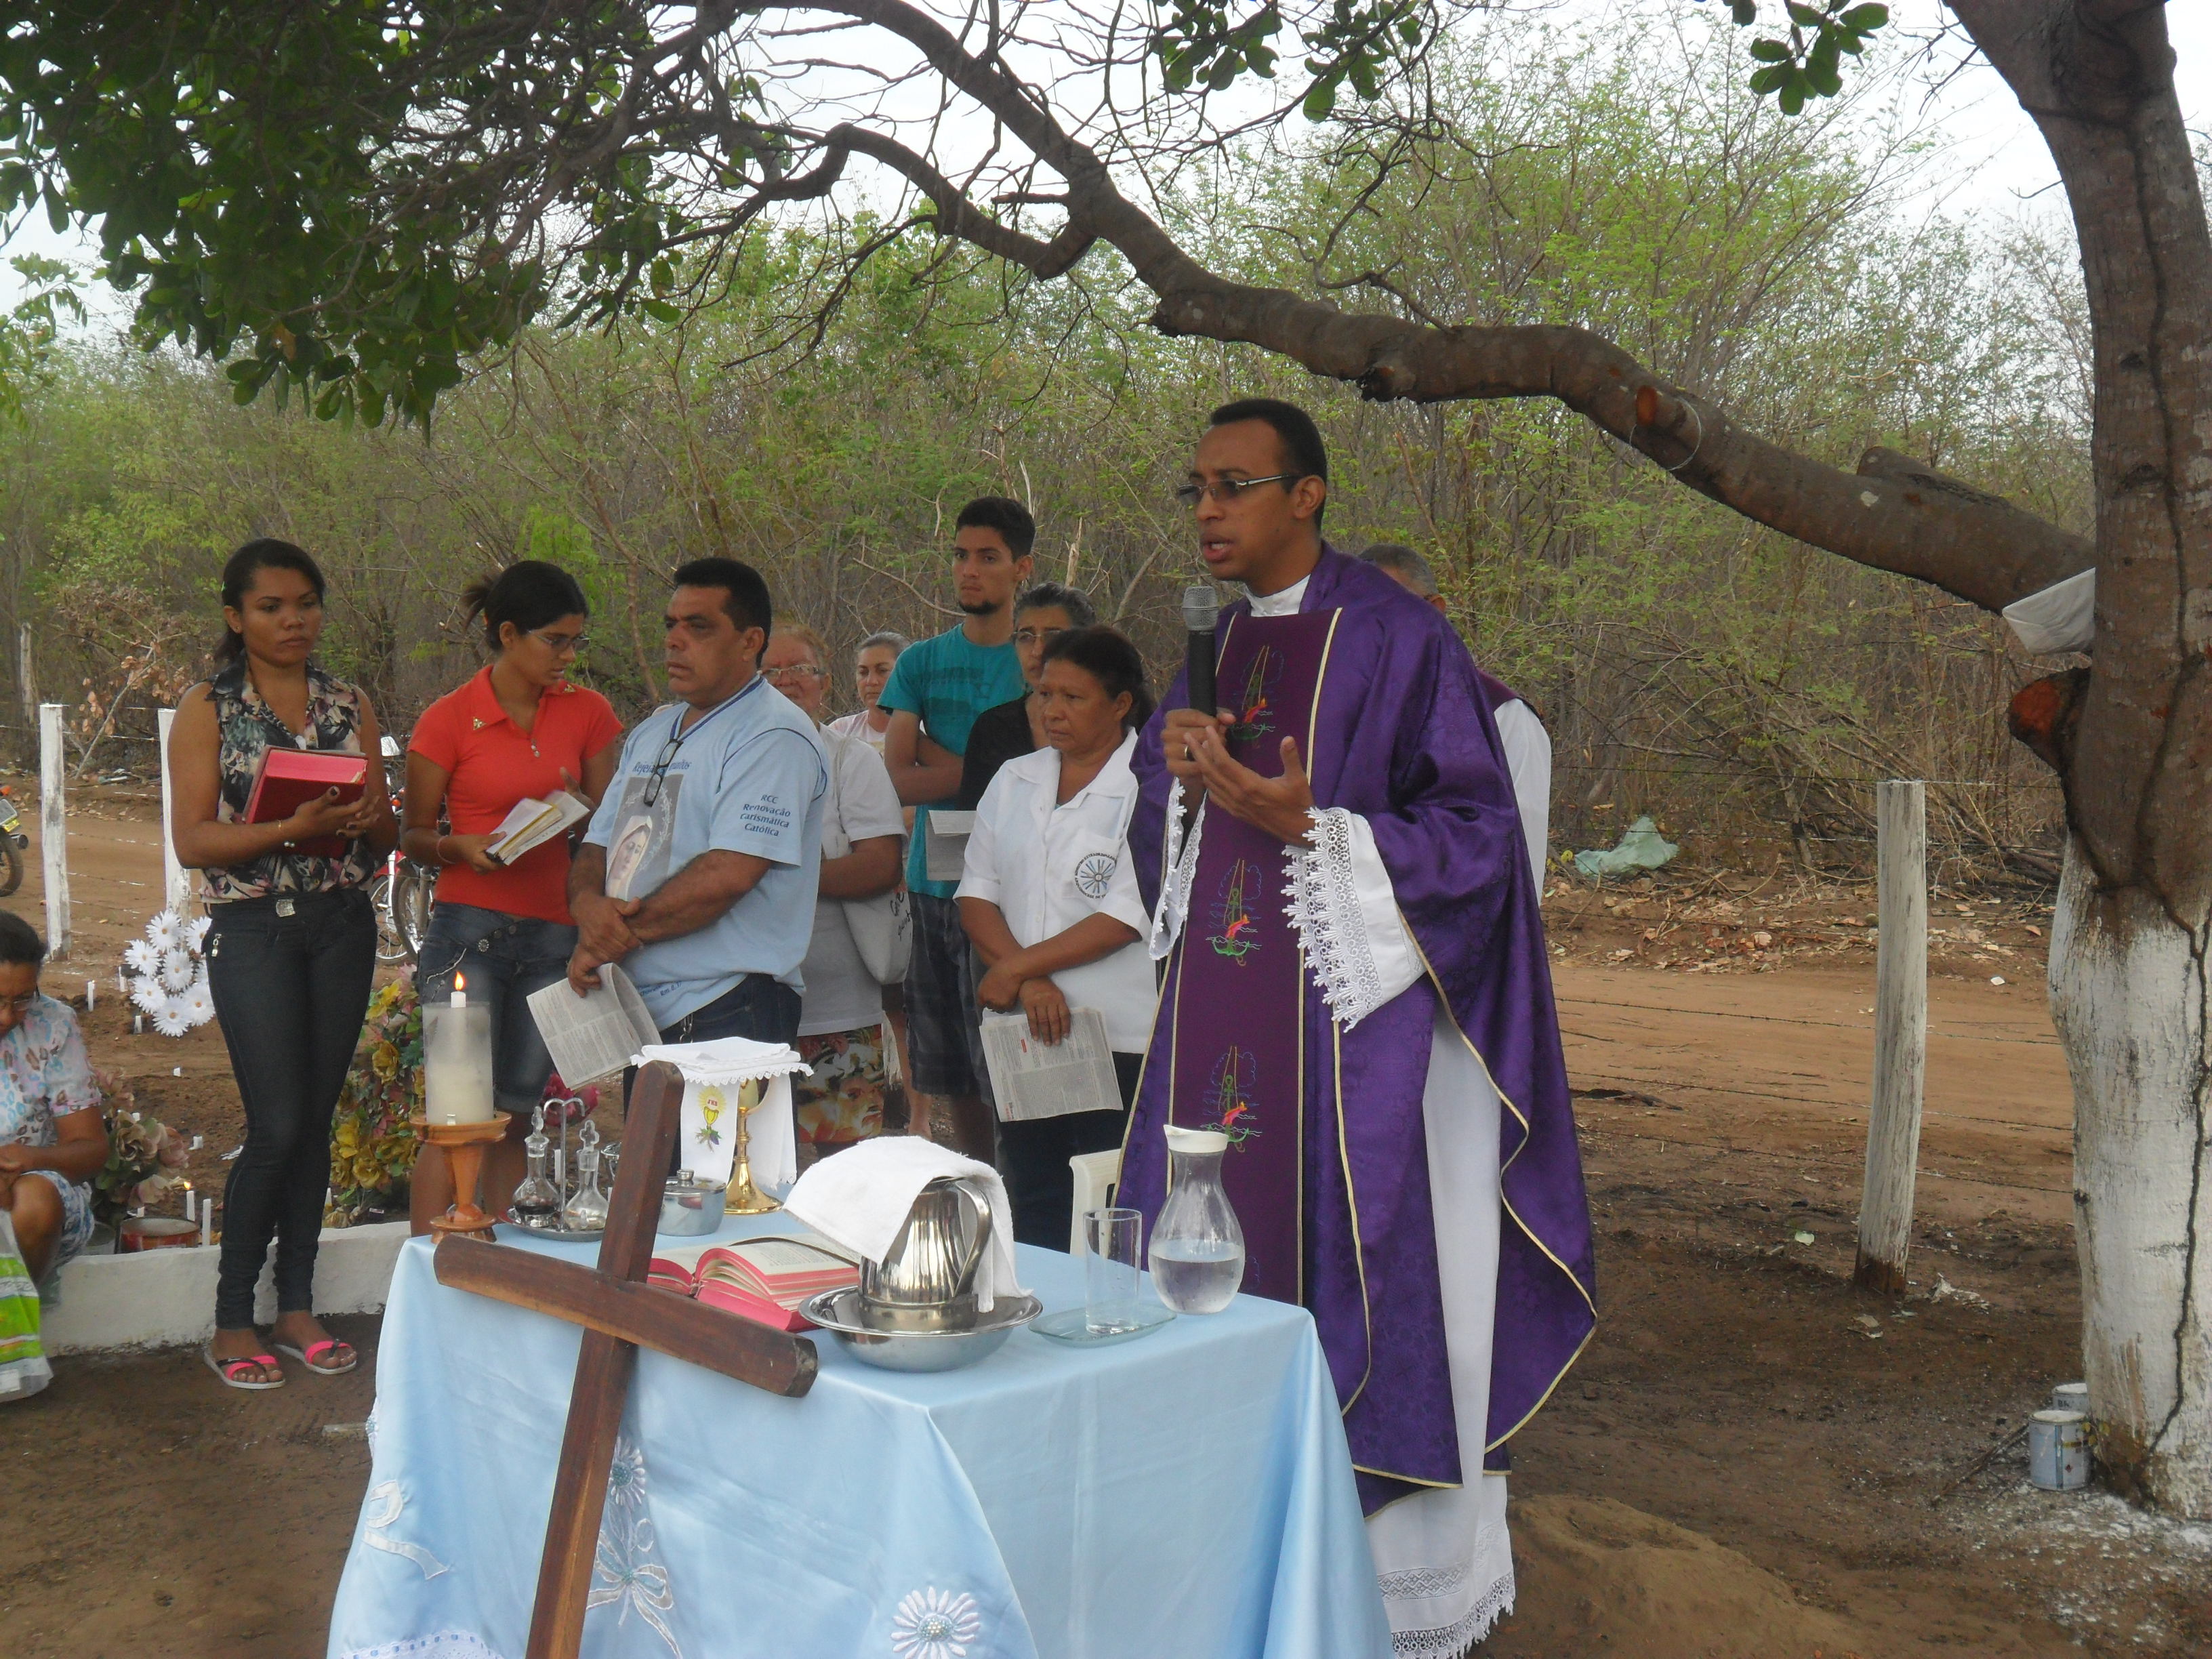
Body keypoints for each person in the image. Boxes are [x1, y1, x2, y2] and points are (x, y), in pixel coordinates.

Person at [1118, 400, 1595, 1655]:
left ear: (1306, 493)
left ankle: (1366, 1597)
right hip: (1215, 1028)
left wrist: (1309, 828)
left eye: (1233, 484)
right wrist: (1174, 783)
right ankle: (1210, 1560)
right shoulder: (1212, 642)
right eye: (1196, 487)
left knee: (1360, 1270)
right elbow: (1159, 843)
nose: (1208, 509)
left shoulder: (1399, 639)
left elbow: (1479, 841)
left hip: (1351, 1042)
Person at [171, 537, 398, 1390]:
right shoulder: (209, 708)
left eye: (306, 602)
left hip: (342, 925)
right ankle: (234, 1318)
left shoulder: (348, 702)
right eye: (271, 607)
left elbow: (381, 839)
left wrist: (374, 814)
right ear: (236, 617)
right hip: (255, 929)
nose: (293, 619)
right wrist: (287, 830)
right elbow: (195, 841)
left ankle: (297, 1306)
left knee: (319, 1116)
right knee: (277, 1124)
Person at [402, 561, 625, 1232]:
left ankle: (493, 1262)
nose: (567, 657)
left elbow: (609, 821)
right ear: (507, 634)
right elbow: (413, 834)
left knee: (516, 1111)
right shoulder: (448, 720)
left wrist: (574, 815)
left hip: (552, 935)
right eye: (554, 641)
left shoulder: (589, 712)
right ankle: (424, 1274)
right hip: (467, 929)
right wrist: (458, 849)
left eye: (575, 642)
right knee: (456, 1114)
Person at [567, 558, 827, 1056]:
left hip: (729, 1003)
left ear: (751, 642)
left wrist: (609, 938)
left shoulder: (775, 735)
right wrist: (587, 910)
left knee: (729, 1140)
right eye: (671, 625)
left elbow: (728, 874)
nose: (674, 640)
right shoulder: (652, 732)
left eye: (699, 627)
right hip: (642, 1006)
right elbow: (597, 844)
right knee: (655, 1140)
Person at [957, 627, 1155, 1248]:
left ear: (1121, 704)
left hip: (1117, 1029)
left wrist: (1014, 971)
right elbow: (976, 892)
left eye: (1074, 697)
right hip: (1027, 1025)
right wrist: (1028, 977)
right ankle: (1041, 1320)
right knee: (1033, 1186)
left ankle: (1113, 1325)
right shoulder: (1016, 777)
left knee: (1109, 1192)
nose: (1053, 711)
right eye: (1045, 695)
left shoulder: (1150, 782)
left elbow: (1127, 914)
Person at [876, 498, 1036, 1160]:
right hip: (936, 886)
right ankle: (981, 1188)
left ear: (1021, 568)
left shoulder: (1039, 658)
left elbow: (1051, 779)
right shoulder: (918, 662)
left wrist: (943, 762)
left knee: (1013, 1062)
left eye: (988, 558)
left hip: (1016, 897)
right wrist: (987, 769)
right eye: (961, 555)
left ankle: (1030, 1208)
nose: (970, 571)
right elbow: (894, 782)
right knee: (951, 1073)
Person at [762, 624, 905, 1157]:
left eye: (799, 669)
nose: (785, 682)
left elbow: (880, 865)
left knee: (846, 1168)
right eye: (769, 672)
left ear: (823, 682)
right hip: (740, 1002)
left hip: (839, 1006)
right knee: (752, 1166)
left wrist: (770, 874)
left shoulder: (852, 761)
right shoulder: (728, 762)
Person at [1359, 542, 1552, 887]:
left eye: (1390, 611)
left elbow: (1521, 861)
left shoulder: (1502, 715)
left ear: (1435, 611)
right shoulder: (1335, 718)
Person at [0, 914, 106, 1288]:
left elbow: (91, 1149)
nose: (8, 1017)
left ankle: (12, 1328)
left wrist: (32, 1159)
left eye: (22, 1000)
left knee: (35, 1202)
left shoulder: (52, 1024)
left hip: (30, 1199)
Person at [951, 582, 1096, 809]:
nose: (1038, 651)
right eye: (1026, 637)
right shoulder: (994, 729)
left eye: (1053, 636)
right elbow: (973, 823)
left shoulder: (1118, 724)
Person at [825, 631, 911, 757]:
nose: (871, 681)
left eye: (882, 671)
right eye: (863, 672)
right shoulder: (840, 731)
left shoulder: (927, 732)